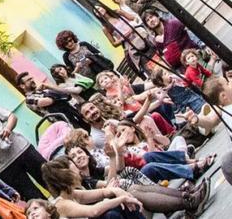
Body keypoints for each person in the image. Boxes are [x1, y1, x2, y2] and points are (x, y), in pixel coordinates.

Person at [62, 143, 205, 216]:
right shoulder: (71, 194)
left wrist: (116, 153)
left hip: (128, 193)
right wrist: (114, 191)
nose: (78, 158)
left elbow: (118, 170)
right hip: (120, 207)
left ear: (87, 155)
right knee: (136, 183)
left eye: (80, 152)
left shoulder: (91, 176)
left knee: (139, 175)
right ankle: (186, 198)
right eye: (73, 159)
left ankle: (185, 197)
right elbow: (108, 189)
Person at [40, 157, 145, 219]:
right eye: (73, 165)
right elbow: (93, 211)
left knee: (121, 203)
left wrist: (118, 192)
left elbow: (104, 192)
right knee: (112, 214)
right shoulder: (62, 204)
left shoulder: (72, 193)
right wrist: (121, 199)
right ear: (67, 174)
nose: (78, 169)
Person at [92, 5, 151, 75]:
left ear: (103, 7)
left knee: (149, 37)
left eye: (98, 8)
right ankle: (144, 70)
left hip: (138, 32)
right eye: (96, 12)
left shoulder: (118, 12)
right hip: (128, 42)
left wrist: (132, 26)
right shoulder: (105, 28)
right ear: (97, 15)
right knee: (134, 56)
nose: (98, 11)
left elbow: (133, 18)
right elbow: (114, 44)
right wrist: (124, 36)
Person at [19, 72, 88, 129]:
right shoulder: (29, 99)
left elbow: (65, 94)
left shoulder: (43, 90)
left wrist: (50, 87)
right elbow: (48, 101)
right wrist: (54, 94)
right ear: (22, 86)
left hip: (73, 112)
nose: (32, 80)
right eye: (28, 80)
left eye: (31, 78)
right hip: (64, 122)